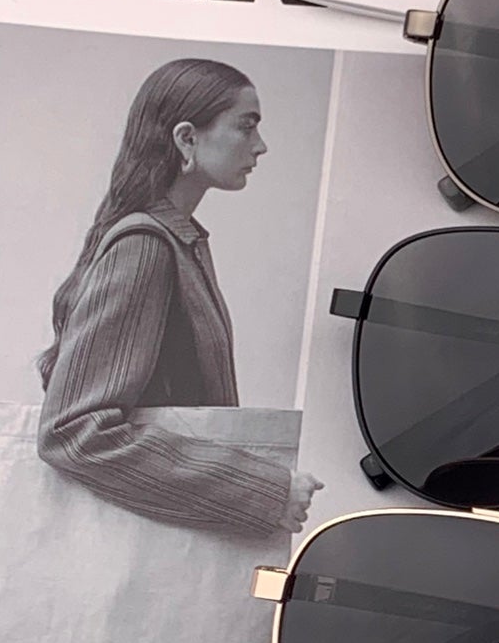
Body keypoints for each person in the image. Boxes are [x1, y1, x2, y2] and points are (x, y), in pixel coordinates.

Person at [36, 57, 321, 532]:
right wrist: (262, 491)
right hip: (149, 548)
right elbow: (72, 431)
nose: (261, 145)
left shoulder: (177, 242)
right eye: (246, 126)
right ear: (187, 138)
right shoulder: (146, 245)